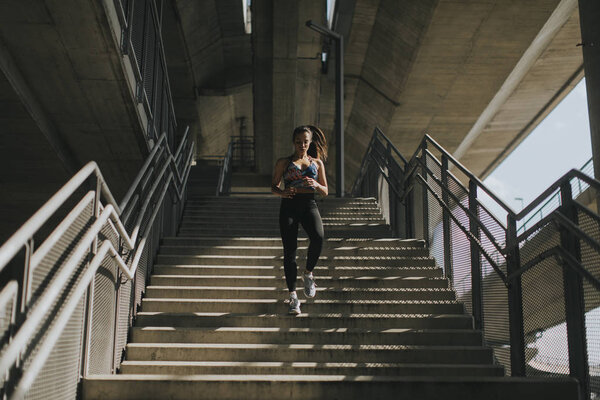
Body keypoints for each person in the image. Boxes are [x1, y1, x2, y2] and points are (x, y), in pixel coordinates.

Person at [271, 125, 328, 314]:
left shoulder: (317, 163)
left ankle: (308, 273)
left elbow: (326, 191)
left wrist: (316, 184)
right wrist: (283, 192)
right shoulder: (284, 162)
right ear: (293, 142)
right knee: (290, 251)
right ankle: (293, 297)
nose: (302, 145)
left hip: (309, 204)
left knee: (318, 237)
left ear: (310, 142)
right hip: (289, 205)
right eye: (298, 142)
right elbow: (274, 186)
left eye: (305, 141)